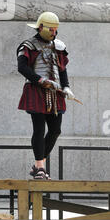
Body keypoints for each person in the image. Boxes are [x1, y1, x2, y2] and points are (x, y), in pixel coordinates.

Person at [17, 12, 75, 180]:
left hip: (56, 92)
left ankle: (37, 164)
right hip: (36, 90)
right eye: (51, 29)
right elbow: (22, 67)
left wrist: (66, 87)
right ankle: (41, 167)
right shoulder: (28, 45)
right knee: (39, 128)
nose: (53, 33)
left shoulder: (59, 46)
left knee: (56, 130)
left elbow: (62, 69)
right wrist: (40, 80)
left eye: (56, 29)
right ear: (41, 27)